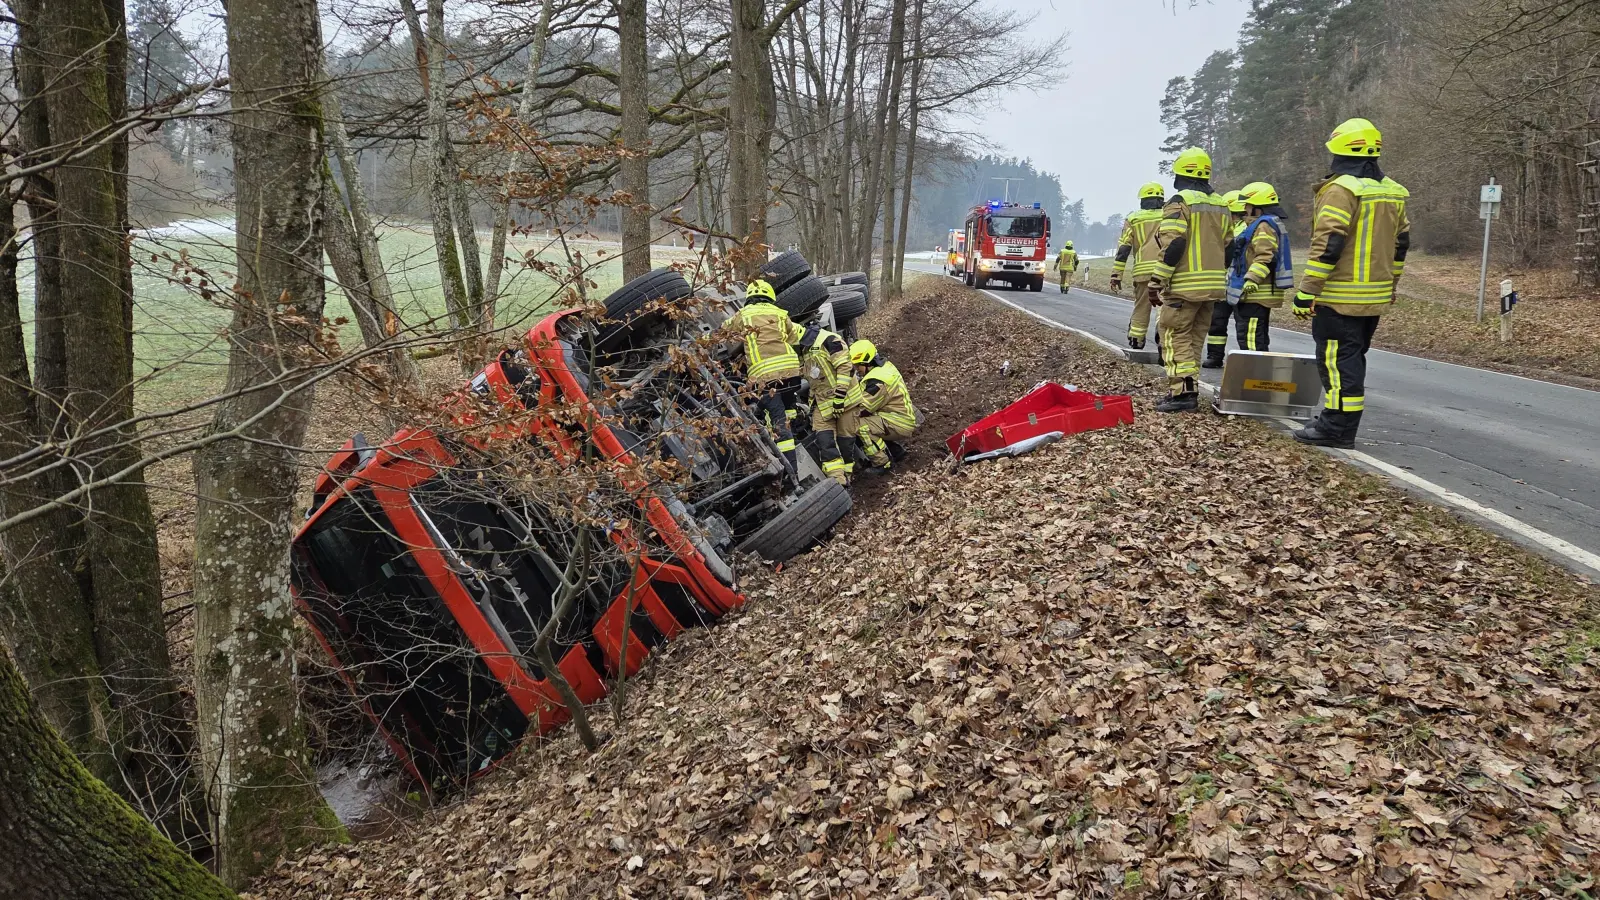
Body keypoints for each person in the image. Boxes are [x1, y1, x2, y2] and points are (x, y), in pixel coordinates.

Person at [1293, 118, 1411, 449]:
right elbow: (1402, 244)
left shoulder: (1342, 190)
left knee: (1336, 362)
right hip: (1373, 297)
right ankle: (1337, 421)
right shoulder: (1392, 192)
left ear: (1339, 152)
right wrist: (1392, 284)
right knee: (1352, 359)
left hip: (1339, 297)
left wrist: (1307, 292)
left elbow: (1329, 243)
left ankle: (1335, 429)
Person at [1148, 148, 1230, 412]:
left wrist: (1157, 280)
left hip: (1184, 286)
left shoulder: (1179, 201)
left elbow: (1174, 243)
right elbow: (1230, 245)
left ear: (1180, 174)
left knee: (1174, 336)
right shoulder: (1221, 204)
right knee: (1194, 339)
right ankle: (1189, 388)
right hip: (1213, 287)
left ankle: (1182, 395)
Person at [732, 279, 804, 470]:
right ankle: (796, 431)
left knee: (778, 423)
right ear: (770, 296)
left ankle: (791, 471)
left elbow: (723, 333)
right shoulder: (781, 313)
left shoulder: (743, 315)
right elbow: (793, 337)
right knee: (788, 409)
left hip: (765, 378)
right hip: (791, 371)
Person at [1226, 182, 1294, 352]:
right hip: (1256, 294)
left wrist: (1252, 279)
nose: (1245, 210)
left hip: (1255, 293)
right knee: (1257, 337)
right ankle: (1258, 375)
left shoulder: (1263, 226)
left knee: (1251, 339)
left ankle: (1252, 375)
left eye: (1247, 205)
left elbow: (1265, 255)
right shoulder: (1265, 223)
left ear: (1257, 207)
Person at [838, 340, 916, 475]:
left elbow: (861, 409)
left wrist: (839, 407)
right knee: (870, 422)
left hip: (898, 422)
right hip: (899, 417)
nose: (857, 369)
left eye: (858, 366)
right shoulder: (884, 367)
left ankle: (883, 463)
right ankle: (895, 451)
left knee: (857, 424)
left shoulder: (877, 382)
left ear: (867, 362)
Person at [1109, 182, 1167, 348]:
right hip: (1166, 270)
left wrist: (1116, 275)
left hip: (1142, 272)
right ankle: (1162, 331)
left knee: (1142, 305)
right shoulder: (1169, 216)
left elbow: (1123, 250)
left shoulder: (1133, 219)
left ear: (1142, 200)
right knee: (1164, 304)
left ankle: (1136, 339)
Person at [796, 321, 854, 485]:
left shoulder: (830, 340)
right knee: (825, 442)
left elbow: (845, 367)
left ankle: (850, 475)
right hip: (821, 404)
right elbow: (805, 372)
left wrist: (839, 398)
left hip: (846, 401)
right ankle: (839, 481)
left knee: (846, 442)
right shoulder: (805, 349)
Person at [1204, 189, 1251, 368]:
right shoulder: (1223, 225)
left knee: (1243, 325)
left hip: (1239, 281)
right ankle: (1215, 356)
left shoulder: (1247, 228)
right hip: (1223, 281)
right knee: (1217, 322)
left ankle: (1246, 361)